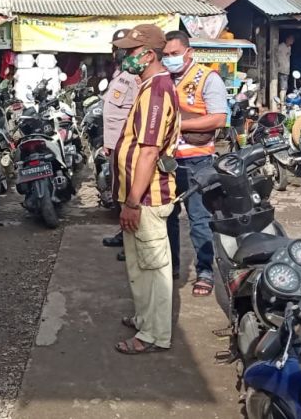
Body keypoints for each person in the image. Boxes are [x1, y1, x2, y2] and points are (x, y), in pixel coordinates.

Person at [111, 24, 180, 355]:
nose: (125, 57)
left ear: (148, 55)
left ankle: (154, 334)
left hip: (148, 198)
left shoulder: (156, 91)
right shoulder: (148, 86)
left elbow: (149, 151)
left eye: (130, 52)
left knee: (153, 269)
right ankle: (145, 318)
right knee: (139, 265)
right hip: (137, 196)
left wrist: (133, 203)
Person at [162, 31, 229, 293]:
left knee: (199, 219)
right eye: (165, 55)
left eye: (174, 54)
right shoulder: (163, 79)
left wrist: (178, 124)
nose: (169, 59)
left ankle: (204, 272)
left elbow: (218, 119)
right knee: (167, 216)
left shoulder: (207, 78)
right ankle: (171, 266)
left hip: (197, 160)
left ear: (189, 52)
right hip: (166, 160)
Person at [100, 28, 140, 251]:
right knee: (121, 192)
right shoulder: (121, 74)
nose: (117, 52)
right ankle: (125, 234)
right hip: (117, 144)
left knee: (131, 193)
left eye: (122, 49)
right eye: (116, 48)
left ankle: (133, 242)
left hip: (128, 144)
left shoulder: (135, 77)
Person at [274, 34, 293, 101]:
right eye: (291, 39)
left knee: (284, 87)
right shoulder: (281, 46)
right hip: (281, 70)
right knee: (283, 88)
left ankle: (282, 101)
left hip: (286, 70)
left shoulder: (289, 48)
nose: (292, 41)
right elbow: (270, 53)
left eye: (293, 39)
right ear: (287, 39)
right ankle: (282, 103)